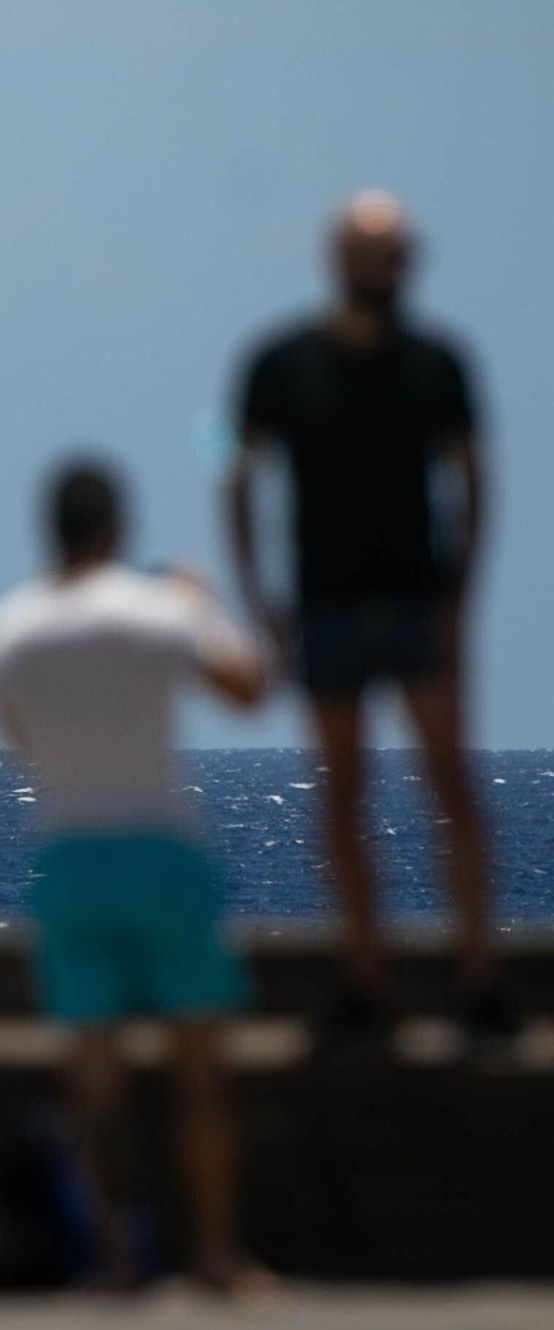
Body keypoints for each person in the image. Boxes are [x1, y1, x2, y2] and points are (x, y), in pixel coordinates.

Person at [0, 459, 270, 1294]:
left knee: (93, 1081)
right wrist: (201, 600)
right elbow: (248, 687)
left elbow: (18, 740)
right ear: (116, 530)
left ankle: (110, 1257)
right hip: (161, 848)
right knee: (201, 1072)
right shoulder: (158, 615)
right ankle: (215, 1255)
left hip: (67, 855)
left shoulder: (5, 632)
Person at [223, 191, 513, 1046]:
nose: (384, 267)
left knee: (451, 785)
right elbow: (239, 474)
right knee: (343, 797)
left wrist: (463, 599)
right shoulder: (280, 363)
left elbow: (473, 477)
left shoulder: (438, 363)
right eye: (368, 251)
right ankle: (364, 976)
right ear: (335, 258)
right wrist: (258, 599)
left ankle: (479, 974)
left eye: (395, 252)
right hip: (326, 605)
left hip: (421, 603)